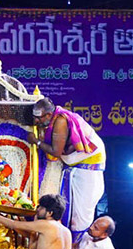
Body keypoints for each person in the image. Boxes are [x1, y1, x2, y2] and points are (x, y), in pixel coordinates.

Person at [31, 97, 106, 238]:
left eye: (39, 118)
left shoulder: (60, 121)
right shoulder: (55, 118)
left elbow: (55, 151)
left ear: (48, 115)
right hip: (81, 165)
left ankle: (75, 243)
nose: (36, 122)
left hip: (89, 166)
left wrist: (36, 141)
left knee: (80, 212)